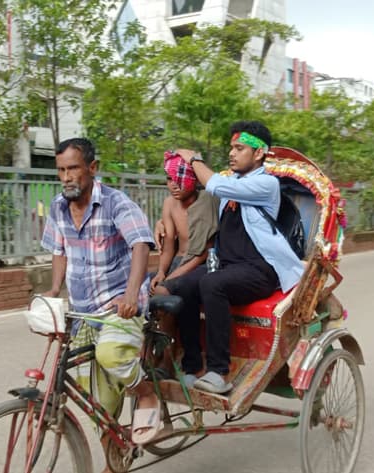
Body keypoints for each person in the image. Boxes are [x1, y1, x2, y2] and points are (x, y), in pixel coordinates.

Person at [39, 138, 163, 451]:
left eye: (73, 169)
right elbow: (58, 250)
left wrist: (131, 294)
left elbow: (140, 244)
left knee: (112, 355)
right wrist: (54, 290)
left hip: (119, 306)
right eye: (61, 170)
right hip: (83, 313)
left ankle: (145, 391)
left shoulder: (115, 202)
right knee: (90, 393)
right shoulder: (57, 207)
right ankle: (114, 453)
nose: (66, 176)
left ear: (92, 168)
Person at [163, 121, 304, 394]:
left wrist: (194, 159)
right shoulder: (232, 183)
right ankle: (192, 366)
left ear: (259, 153)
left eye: (240, 148)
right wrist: (162, 223)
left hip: (261, 270)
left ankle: (218, 371)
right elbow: (197, 200)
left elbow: (214, 185)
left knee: (211, 284)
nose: (232, 153)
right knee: (181, 286)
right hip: (229, 267)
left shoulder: (267, 184)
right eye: (231, 148)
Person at [149, 151, 219, 295]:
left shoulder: (207, 201)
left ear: (194, 179)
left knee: (163, 291)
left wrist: (170, 278)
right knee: (143, 285)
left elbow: (205, 251)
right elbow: (168, 245)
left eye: (180, 179)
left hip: (199, 263)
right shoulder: (169, 203)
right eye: (169, 179)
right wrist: (161, 272)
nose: (174, 185)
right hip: (176, 261)